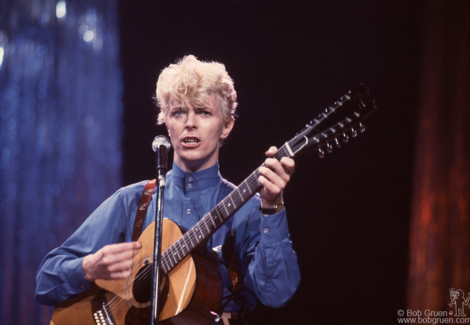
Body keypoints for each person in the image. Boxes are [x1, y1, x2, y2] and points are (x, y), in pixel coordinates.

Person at [35, 55, 301, 324]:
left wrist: (272, 207)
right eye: (178, 112)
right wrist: (88, 267)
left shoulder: (249, 209)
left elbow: (276, 293)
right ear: (166, 122)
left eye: (204, 112)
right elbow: (46, 279)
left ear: (227, 125)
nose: (190, 123)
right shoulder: (134, 202)